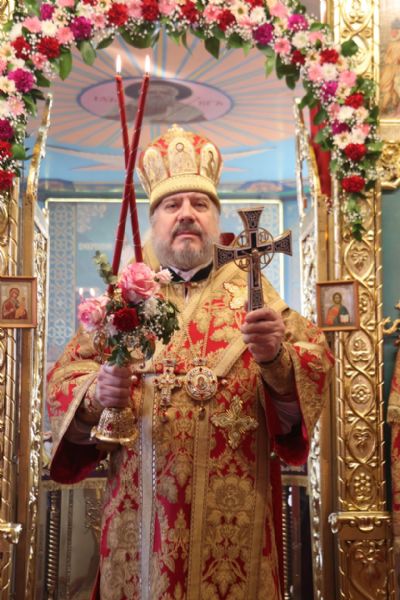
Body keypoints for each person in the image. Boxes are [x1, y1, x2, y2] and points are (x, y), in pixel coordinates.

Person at [47, 124, 333, 600]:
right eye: (171, 205)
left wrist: (276, 360)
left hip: (234, 529)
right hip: (141, 530)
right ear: (153, 221)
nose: (186, 214)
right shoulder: (124, 304)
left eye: (199, 204)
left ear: (216, 219)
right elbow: (63, 378)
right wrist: (95, 394)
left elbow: (313, 367)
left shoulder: (255, 296)